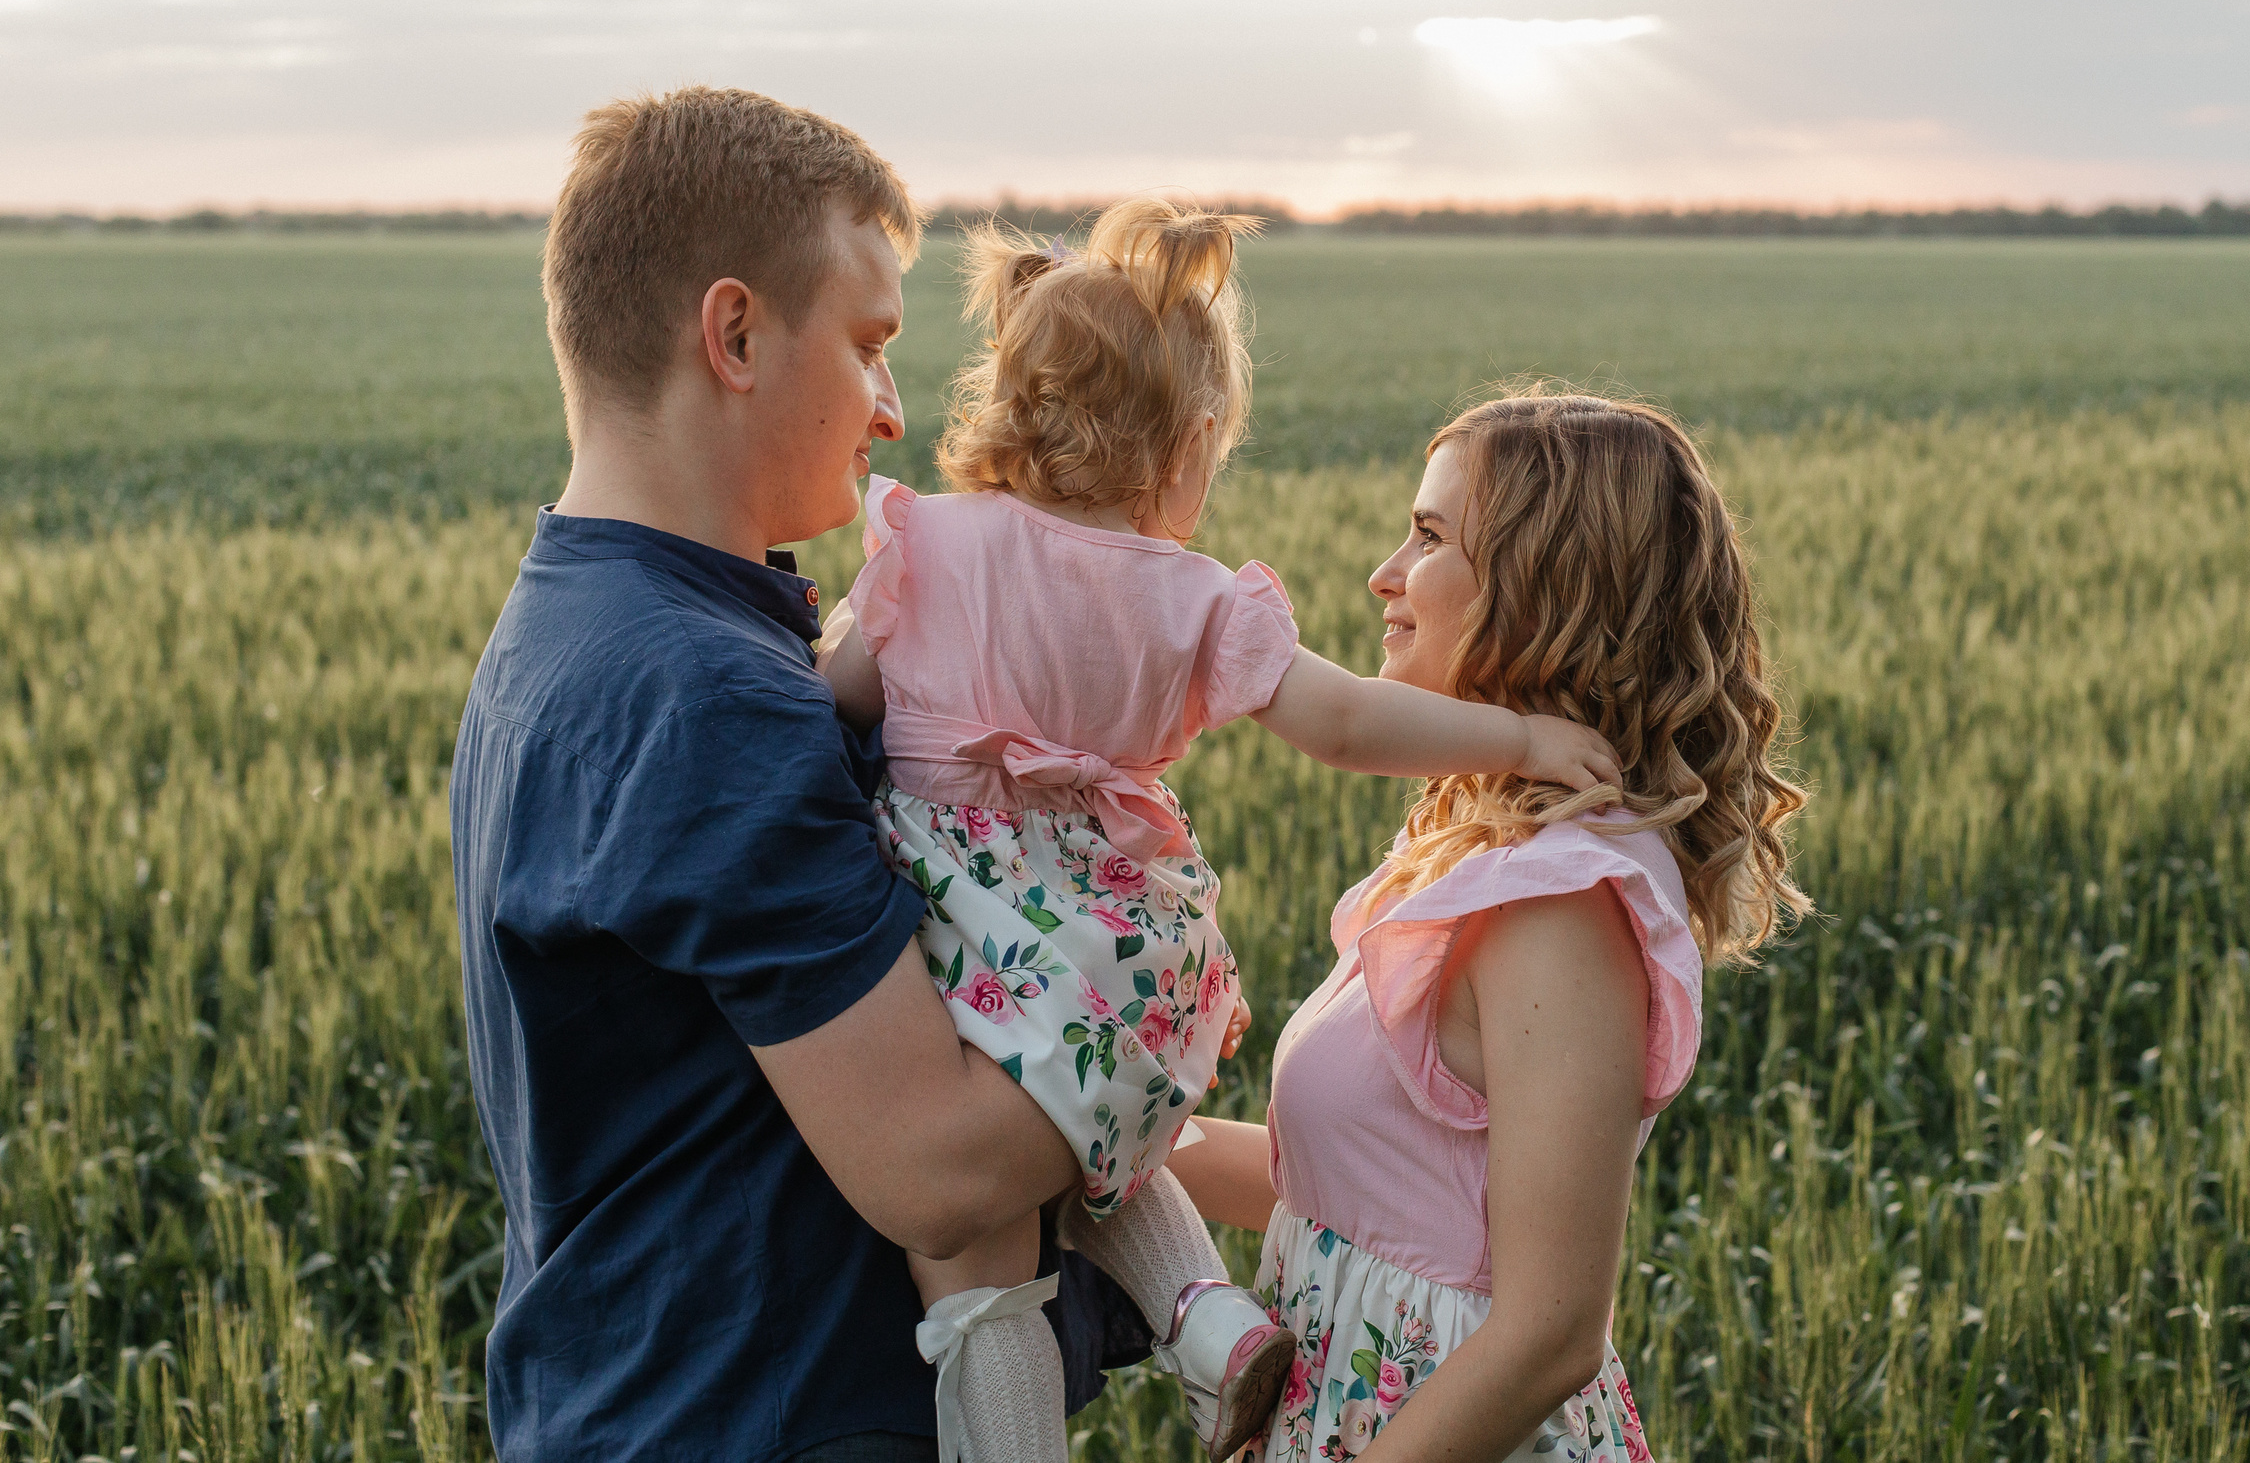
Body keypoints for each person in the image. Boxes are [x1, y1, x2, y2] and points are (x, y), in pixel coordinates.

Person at [815, 204, 1621, 1463]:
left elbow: (832, 701)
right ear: (1186, 452)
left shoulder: (927, 541)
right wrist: (1516, 740)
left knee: (970, 1250)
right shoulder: (1192, 597)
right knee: (1104, 1132)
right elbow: (1347, 722)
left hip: (958, 924)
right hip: (1119, 935)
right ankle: (1204, 1317)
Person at [450, 86, 1146, 1463]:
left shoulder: (575, 623)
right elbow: (937, 1163)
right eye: (873, 344)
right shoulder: (703, 693)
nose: (893, 411)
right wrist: (1162, 1016)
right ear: (736, 332)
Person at [1166, 390, 1811, 1462]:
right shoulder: (1487, 850)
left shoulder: (1559, 904)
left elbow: (1551, 1332)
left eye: (1426, 538)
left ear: (1546, 588)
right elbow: (1350, 1186)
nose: (1381, 573)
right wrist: (1086, 1151)